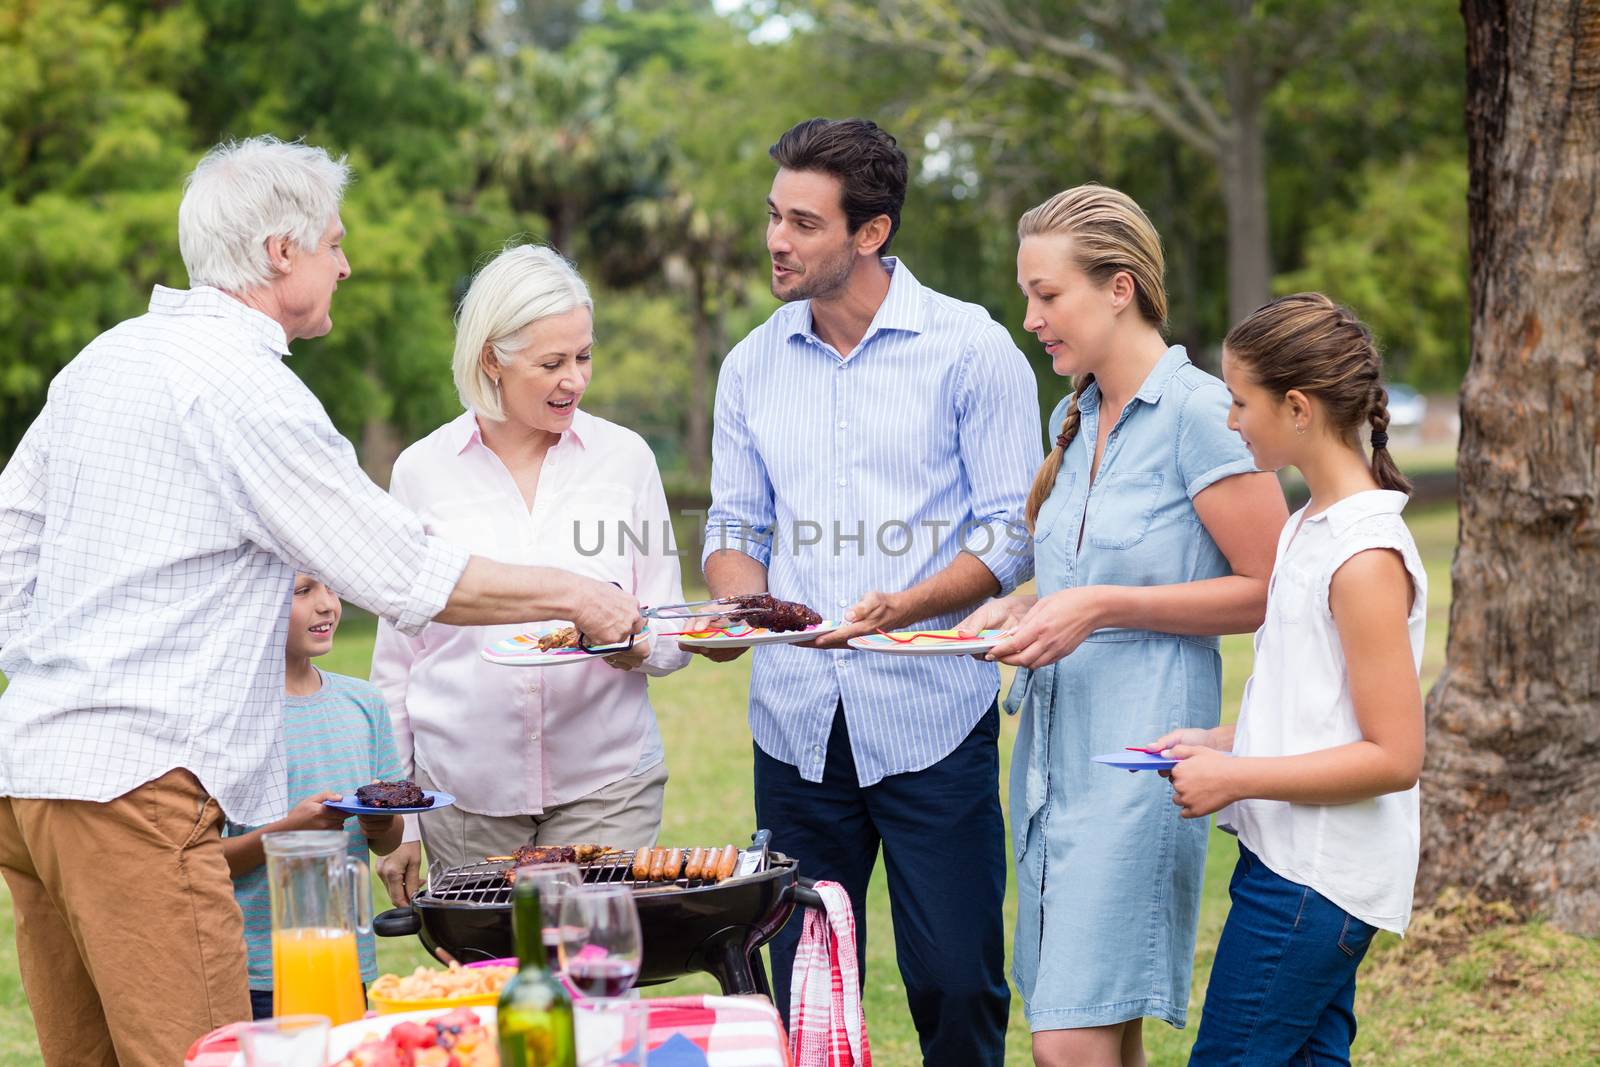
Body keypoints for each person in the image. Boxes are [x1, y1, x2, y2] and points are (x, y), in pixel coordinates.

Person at [0, 136, 639, 1067]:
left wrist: (65, 677)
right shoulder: (246, 385)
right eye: (334, 242)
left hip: (33, 776)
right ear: (278, 253)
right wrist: (576, 592)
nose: (347, 262)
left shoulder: (106, 358)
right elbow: (400, 571)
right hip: (137, 789)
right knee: (213, 1055)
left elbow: (10, 550)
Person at [696, 117, 1040, 1066]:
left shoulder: (971, 349)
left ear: (871, 233)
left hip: (933, 713)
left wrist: (910, 604)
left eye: (804, 223)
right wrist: (738, 606)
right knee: (801, 984)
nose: (777, 239)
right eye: (774, 217)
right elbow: (734, 527)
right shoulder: (751, 364)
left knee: (957, 979)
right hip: (796, 724)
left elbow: (1011, 532)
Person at [958, 184, 1287, 1067]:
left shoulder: (1200, 415)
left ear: (1121, 287)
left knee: (1067, 1042)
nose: (1030, 318)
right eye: (1027, 295)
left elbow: (1271, 588)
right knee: (1094, 1037)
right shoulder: (1073, 416)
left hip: (1143, 763)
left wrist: (1099, 605)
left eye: (1047, 294)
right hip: (1049, 771)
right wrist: (1029, 606)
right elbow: (1087, 577)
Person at [1154, 294, 1426, 1065]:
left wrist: (1236, 774)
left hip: (1315, 882)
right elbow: (1318, 711)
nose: (1231, 420)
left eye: (1241, 401)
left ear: (1298, 407)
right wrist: (1219, 741)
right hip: (1283, 863)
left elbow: (1394, 755)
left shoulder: (1365, 555)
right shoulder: (1310, 525)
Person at [372, 244, 690, 902]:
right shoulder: (420, 472)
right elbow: (397, 661)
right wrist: (400, 819)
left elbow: (671, 627)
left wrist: (642, 646)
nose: (573, 379)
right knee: (493, 986)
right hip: (465, 796)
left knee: (594, 970)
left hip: (608, 784)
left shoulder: (625, 460)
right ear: (492, 358)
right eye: (551, 363)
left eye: (583, 356)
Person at [222, 573, 404, 1019]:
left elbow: (387, 839)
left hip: (345, 961)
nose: (326, 605)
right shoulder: (230, 718)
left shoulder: (363, 702)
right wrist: (290, 833)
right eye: (303, 591)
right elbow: (204, 859)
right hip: (257, 973)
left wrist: (380, 822)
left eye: (330, 588)